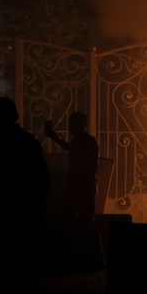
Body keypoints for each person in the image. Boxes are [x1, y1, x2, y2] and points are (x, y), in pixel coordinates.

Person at [0, 96, 50, 294]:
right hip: (24, 217)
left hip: (11, 218)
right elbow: (42, 183)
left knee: (11, 271)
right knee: (21, 273)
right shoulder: (25, 142)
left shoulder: (8, 144)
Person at [44, 111, 104, 272]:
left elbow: (74, 151)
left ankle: (92, 261)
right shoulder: (84, 140)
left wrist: (54, 137)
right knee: (79, 222)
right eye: (71, 124)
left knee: (81, 222)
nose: (71, 127)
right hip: (80, 187)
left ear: (83, 125)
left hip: (84, 188)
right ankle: (91, 261)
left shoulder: (87, 141)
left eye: (74, 124)